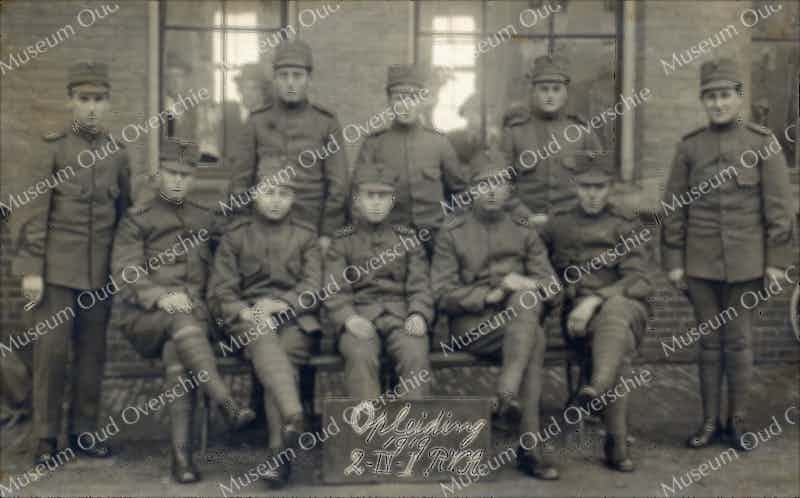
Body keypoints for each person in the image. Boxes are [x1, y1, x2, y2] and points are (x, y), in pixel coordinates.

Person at [661, 58, 795, 451]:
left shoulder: (762, 143)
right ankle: (707, 422)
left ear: (739, 98)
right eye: (711, 97)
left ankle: (736, 422)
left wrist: (776, 263)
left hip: (747, 264)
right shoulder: (690, 146)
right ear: (703, 101)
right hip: (700, 264)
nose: (718, 104)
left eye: (725, 96)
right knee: (708, 343)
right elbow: (674, 207)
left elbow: (779, 209)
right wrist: (673, 262)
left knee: (738, 342)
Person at [111, 138, 255, 483]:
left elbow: (236, 248)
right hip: (146, 318)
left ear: (193, 179)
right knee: (179, 319)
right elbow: (126, 270)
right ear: (158, 174)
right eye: (172, 173)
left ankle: (182, 459)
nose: (178, 181)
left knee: (178, 351)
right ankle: (224, 400)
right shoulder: (137, 220)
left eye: (185, 175)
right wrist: (159, 296)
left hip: (194, 321)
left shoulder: (204, 217)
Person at [12, 61, 131, 465]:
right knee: (52, 354)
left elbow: (124, 215)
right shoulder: (52, 147)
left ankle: (84, 433)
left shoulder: (117, 154)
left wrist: (122, 269)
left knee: (92, 354)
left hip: (99, 274)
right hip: (55, 272)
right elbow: (32, 212)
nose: (92, 109)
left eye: (99, 100)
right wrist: (31, 269)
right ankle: (45, 438)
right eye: (84, 100)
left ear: (109, 104)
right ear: (71, 103)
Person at [431, 149, 560, 480]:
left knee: (528, 311)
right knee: (533, 332)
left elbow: (552, 286)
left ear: (509, 191)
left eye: (499, 184)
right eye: (483, 184)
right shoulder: (453, 231)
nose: (491, 191)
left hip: (520, 323)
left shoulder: (524, 228)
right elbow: (442, 294)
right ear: (471, 190)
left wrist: (524, 285)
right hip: (473, 327)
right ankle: (529, 444)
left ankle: (508, 395)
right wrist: (496, 292)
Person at [208, 156, 321, 489]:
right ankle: (290, 424)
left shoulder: (306, 236)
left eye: (284, 194)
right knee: (268, 342)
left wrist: (280, 305)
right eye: (269, 192)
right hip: (249, 320)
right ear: (255, 193)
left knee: (281, 353)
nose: (275, 201)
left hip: (295, 320)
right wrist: (245, 311)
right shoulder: (236, 236)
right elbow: (222, 290)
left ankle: (280, 450)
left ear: (294, 198)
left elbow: (313, 287)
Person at [539, 154, 652, 472]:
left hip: (626, 305)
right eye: (585, 187)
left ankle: (597, 388)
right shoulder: (558, 223)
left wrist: (595, 301)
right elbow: (535, 261)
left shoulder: (625, 224)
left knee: (614, 313)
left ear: (610, 189)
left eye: (599, 187)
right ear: (575, 187)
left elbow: (640, 280)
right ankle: (615, 442)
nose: (592, 194)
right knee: (619, 350)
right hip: (578, 317)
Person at [324, 161, 434, 403]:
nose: (376, 202)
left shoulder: (407, 239)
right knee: (361, 356)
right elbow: (335, 289)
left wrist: (418, 314)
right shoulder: (342, 241)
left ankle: (413, 434)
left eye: (383, 196)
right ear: (357, 200)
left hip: (401, 316)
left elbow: (421, 285)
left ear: (392, 201)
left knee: (414, 354)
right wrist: (348, 318)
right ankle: (367, 434)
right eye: (369, 195)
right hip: (359, 316)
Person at [228, 39, 349, 250]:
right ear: (275, 79)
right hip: (263, 227)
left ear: (309, 79)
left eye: (297, 76)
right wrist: (245, 228)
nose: (290, 83)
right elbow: (241, 182)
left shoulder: (326, 123)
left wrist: (327, 233)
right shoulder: (257, 121)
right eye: (283, 76)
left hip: (311, 227)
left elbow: (338, 185)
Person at [355, 64, 466, 258]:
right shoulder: (374, 144)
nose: (405, 105)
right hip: (388, 242)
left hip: (435, 241)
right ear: (389, 102)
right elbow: (356, 197)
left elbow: (460, 194)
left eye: (412, 98)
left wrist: (451, 230)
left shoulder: (439, 143)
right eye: (398, 98)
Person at [501, 55, 603, 227]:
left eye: (556, 89)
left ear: (566, 94)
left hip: (573, 224)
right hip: (525, 225)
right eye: (544, 89)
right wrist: (524, 215)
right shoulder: (515, 132)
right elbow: (502, 183)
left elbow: (600, 179)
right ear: (533, 92)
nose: (550, 96)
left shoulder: (582, 131)